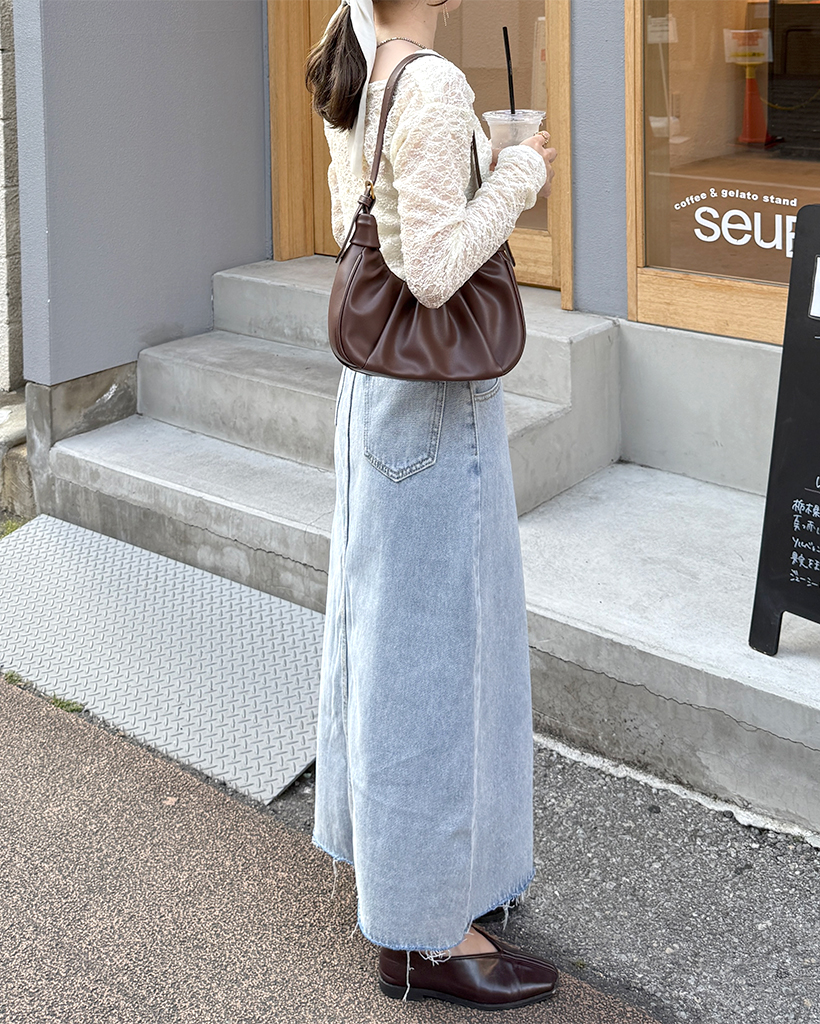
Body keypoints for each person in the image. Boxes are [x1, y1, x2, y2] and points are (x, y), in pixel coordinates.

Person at [305, 0, 559, 1010]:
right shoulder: (435, 82)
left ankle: (408, 871)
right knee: (436, 666)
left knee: (386, 644)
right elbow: (439, 270)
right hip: (431, 408)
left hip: (377, 397)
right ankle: (424, 936)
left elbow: (369, 230)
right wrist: (519, 173)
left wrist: (478, 167)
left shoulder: (360, 66)